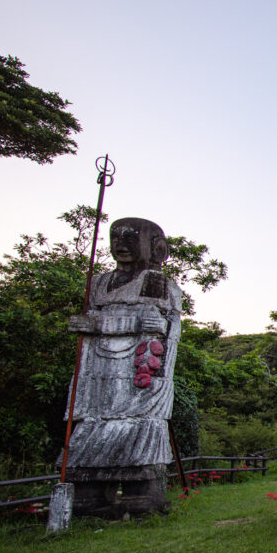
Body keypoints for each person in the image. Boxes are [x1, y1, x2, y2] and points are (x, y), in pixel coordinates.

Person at [61, 218, 182, 517]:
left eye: (131, 238)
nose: (121, 245)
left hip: (136, 367)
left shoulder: (157, 283)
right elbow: (92, 314)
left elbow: (158, 324)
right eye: (116, 238)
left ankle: (141, 492)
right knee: (93, 421)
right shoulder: (100, 282)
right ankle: (87, 492)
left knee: (140, 422)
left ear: (156, 248)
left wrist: (103, 324)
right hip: (99, 370)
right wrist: (86, 323)